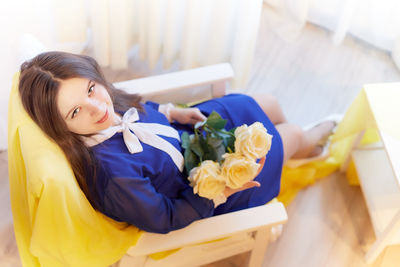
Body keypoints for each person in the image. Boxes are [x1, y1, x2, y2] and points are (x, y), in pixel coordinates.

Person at [18, 51, 335, 234]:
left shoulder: (105, 105)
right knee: (290, 134)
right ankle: (310, 142)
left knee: (267, 102)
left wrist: (171, 112)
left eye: (91, 89)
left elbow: (141, 109)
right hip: (198, 186)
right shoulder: (114, 178)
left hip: (187, 137)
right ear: (60, 127)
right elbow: (166, 216)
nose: (99, 108)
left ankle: (295, 144)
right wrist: (220, 192)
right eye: (76, 112)